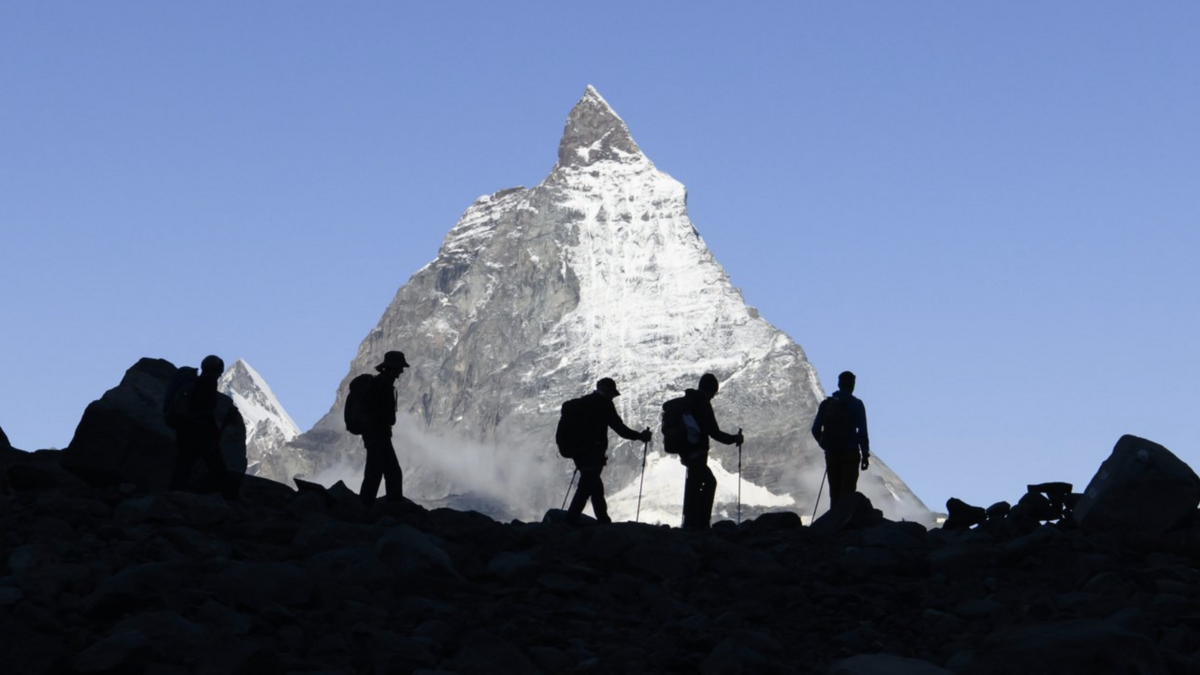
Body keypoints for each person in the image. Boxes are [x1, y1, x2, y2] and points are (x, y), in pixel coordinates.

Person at [565, 377, 652, 524]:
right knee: (586, 486)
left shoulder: (583, 402)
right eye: (612, 394)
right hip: (593, 451)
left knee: (594, 485)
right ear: (609, 392)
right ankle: (571, 520)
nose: (613, 397)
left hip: (577, 451)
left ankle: (602, 519)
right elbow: (620, 428)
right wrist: (639, 436)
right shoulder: (604, 404)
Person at [679, 373, 744, 530]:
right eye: (714, 393)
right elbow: (714, 432)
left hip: (687, 453)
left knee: (693, 484)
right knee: (709, 482)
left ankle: (689, 523)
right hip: (698, 454)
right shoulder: (702, 403)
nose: (713, 397)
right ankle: (701, 523)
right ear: (710, 390)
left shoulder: (688, 401)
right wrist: (734, 439)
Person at [169, 355, 238, 499]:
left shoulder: (197, 383)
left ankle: (173, 494)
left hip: (185, 431)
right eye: (219, 372)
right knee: (217, 466)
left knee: (184, 464)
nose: (219, 376)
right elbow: (204, 412)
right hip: (200, 434)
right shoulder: (207, 385)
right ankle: (230, 497)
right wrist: (213, 432)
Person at [810, 370, 870, 505]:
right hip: (851, 453)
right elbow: (862, 432)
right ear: (852, 385)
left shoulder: (826, 404)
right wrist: (865, 455)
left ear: (839, 384)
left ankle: (834, 516)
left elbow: (815, 429)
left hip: (832, 453)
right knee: (848, 491)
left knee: (835, 492)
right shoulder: (857, 404)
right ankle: (846, 517)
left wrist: (825, 445)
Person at [359, 350, 409, 507]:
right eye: (400, 368)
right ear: (392, 368)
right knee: (383, 473)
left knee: (383, 473)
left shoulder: (380, 383)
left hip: (376, 435)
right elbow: (386, 416)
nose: (401, 371)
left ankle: (368, 507)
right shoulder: (383, 385)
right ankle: (373, 508)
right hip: (379, 436)